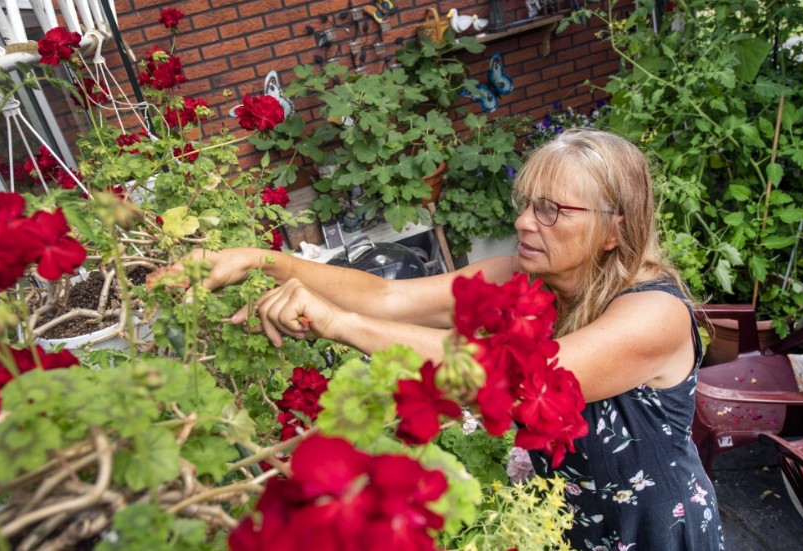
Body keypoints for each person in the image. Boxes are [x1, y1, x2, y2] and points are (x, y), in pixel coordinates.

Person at [172, 128, 724, 550]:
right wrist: (261, 260)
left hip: (654, 528)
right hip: (566, 523)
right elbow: (385, 298)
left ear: (616, 229)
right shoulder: (523, 277)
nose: (527, 222)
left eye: (552, 210)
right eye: (527, 202)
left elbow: (510, 380)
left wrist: (335, 323)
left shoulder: (655, 313)